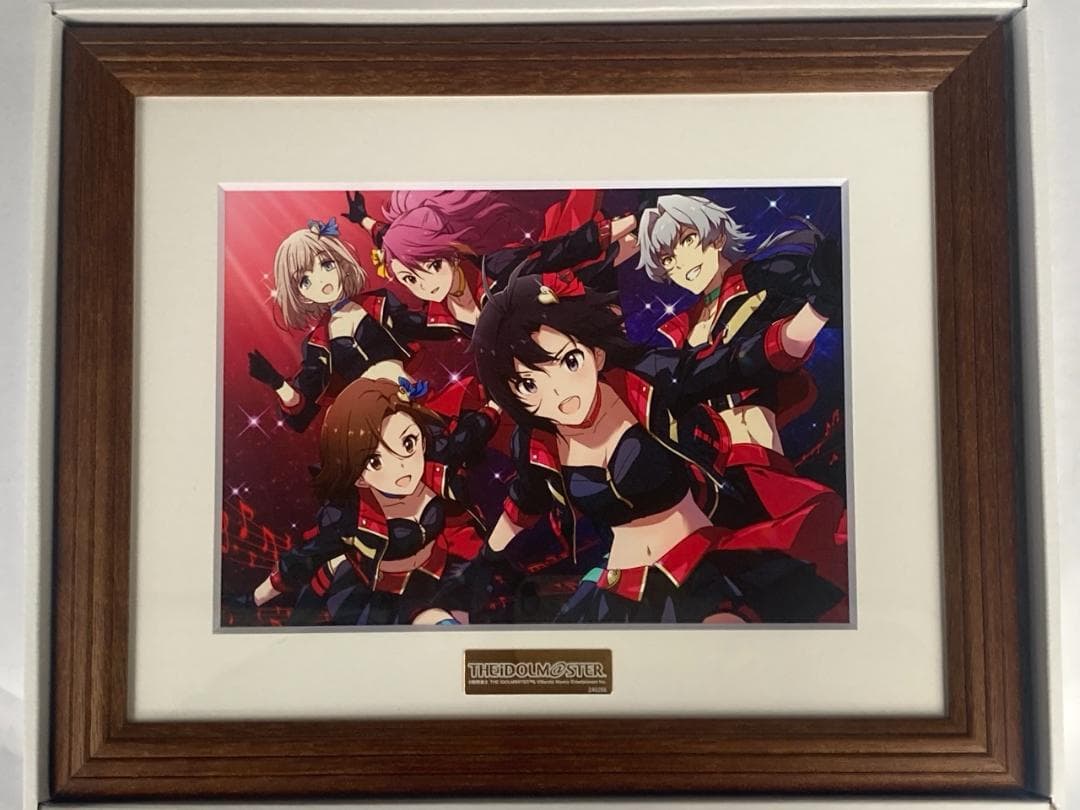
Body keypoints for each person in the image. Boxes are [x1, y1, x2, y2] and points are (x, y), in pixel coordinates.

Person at [468, 269, 843, 623]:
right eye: (529, 384)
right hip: (620, 586)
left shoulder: (646, 380)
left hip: (700, 564)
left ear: (595, 353)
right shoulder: (536, 442)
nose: (559, 393)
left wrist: (817, 310)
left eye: (569, 361)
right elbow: (524, 504)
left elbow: (735, 364)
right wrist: (483, 562)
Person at [637, 195, 848, 596]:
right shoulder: (678, 330)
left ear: (715, 236)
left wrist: (819, 308)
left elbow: (791, 337)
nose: (680, 263)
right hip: (701, 477)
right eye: (667, 258)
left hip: (758, 463)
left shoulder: (763, 279)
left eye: (686, 240)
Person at [239, 377, 499, 625]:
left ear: (421, 437)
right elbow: (300, 561)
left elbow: (471, 433)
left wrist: (496, 403)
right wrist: (254, 599)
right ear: (357, 474)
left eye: (408, 443)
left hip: (439, 574)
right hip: (385, 594)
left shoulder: (436, 470)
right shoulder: (350, 515)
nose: (401, 466)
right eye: (374, 461)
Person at [246, 218, 456, 433]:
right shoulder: (318, 345)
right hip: (376, 424)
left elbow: (424, 324)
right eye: (305, 280)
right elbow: (304, 408)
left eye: (326, 265)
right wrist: (277, 382)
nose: (321, 280)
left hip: (413, 397)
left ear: (341, 264)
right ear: (301, 296)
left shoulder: (378, 303)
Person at [342, 189, 639, 337]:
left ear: (452, 254)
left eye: (433, 266)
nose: (426, 285)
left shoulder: (496, 268)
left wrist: (631, 221)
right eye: (409, 280)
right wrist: (363, 219)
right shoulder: (438, 316)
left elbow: (560, 251)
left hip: (570, 312)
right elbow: (390, 239)